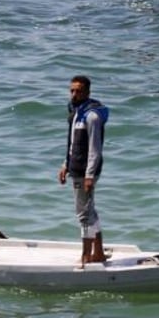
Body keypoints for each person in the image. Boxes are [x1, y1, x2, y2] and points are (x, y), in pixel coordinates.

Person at [57, 75, 109, 266]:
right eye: (72, 90)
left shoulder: (92, 116)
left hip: (86, 172)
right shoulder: (76, 112)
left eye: (78, 91)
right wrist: (65, 164)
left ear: (87, 92)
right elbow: (73, 144)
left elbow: (95, 149)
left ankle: (86, 256)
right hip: (76, 168)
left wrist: (89, 175)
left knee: (83, 215)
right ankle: (99, 253)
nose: (74, 94)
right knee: (89, 211)